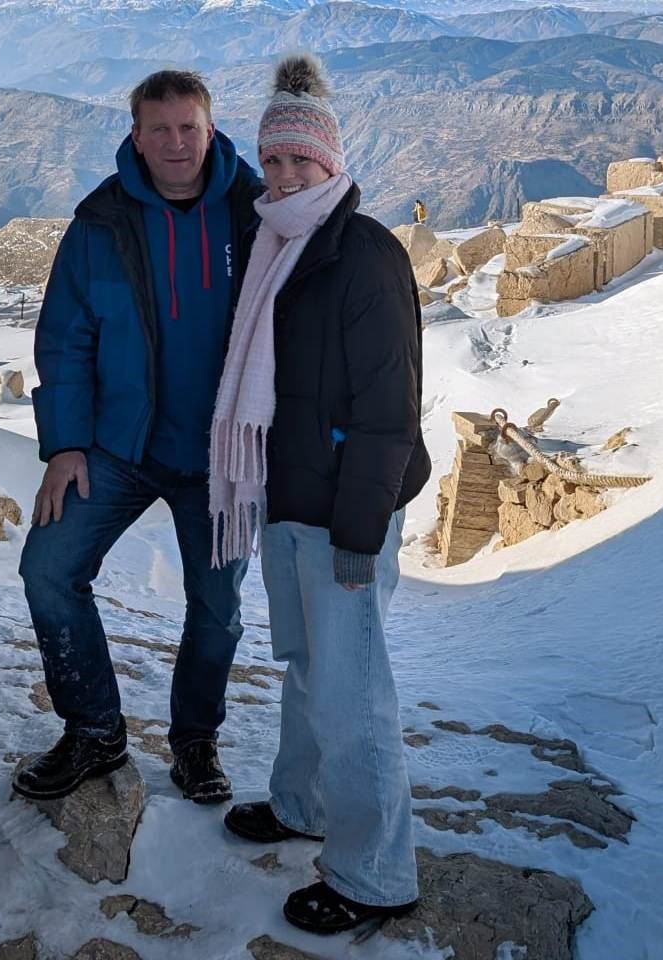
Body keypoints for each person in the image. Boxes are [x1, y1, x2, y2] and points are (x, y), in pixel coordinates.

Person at [209, 55, 431, 934]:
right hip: (290, 500)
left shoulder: (362, 254)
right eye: (274, 161)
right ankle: (299, 804)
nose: (287, 175)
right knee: (306, 668)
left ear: (332, 163)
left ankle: (375, 874)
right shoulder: (275, 243)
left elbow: (388, 412)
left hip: (345, 508)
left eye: (303, 161)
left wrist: (360, 529)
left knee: (350, 692)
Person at [12, 71, 263, 805]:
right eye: (160, 129)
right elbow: (64, 338)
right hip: (117, 449)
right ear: (135, 136)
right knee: (49, 569)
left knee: (216, 609)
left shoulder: (254, 214)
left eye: (188, 127)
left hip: (221, 459)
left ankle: (194, 741)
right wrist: (64, 445)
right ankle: (94, 731)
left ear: (210, 131)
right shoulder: (102, 221)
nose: (175, 143)